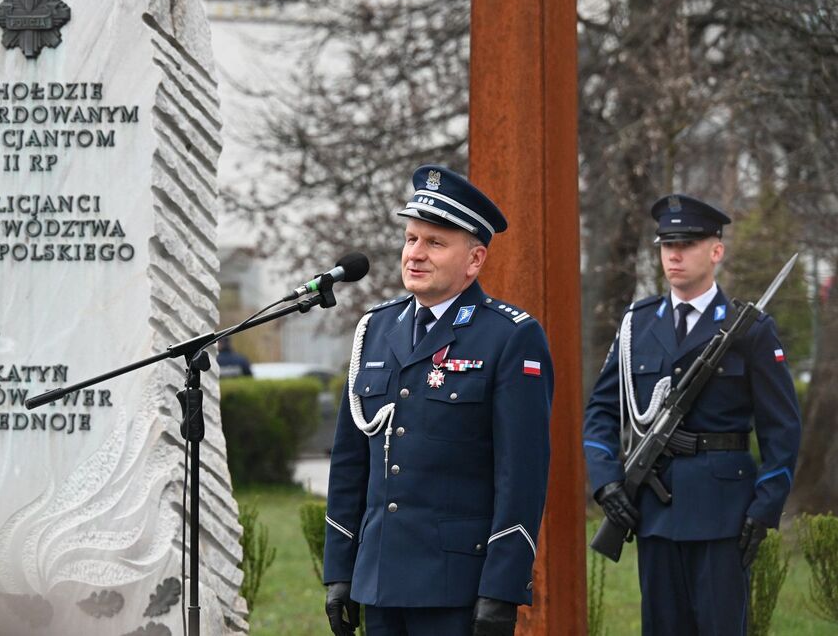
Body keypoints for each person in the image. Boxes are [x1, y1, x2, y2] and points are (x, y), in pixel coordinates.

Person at [322, 165, 553, 636]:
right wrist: (339, 569)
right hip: (379, 578)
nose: (415, 255)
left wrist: (502, 588)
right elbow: (349, 463)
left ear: (474, 260)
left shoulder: (510, 337)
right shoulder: (376, 329)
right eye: (411, 239)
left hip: (457, 586)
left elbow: (522, 474)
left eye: (435, 243)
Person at [583, 194, 802, 635]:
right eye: (667, 245)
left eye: (687, 243)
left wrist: (764, 508)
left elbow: (783, 430)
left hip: (723, 516)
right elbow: (601, 412)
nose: (675, 255)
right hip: (654, 516)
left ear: (716, 251)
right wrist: (607, 482)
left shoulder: (751, 330)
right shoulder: (636, 325)